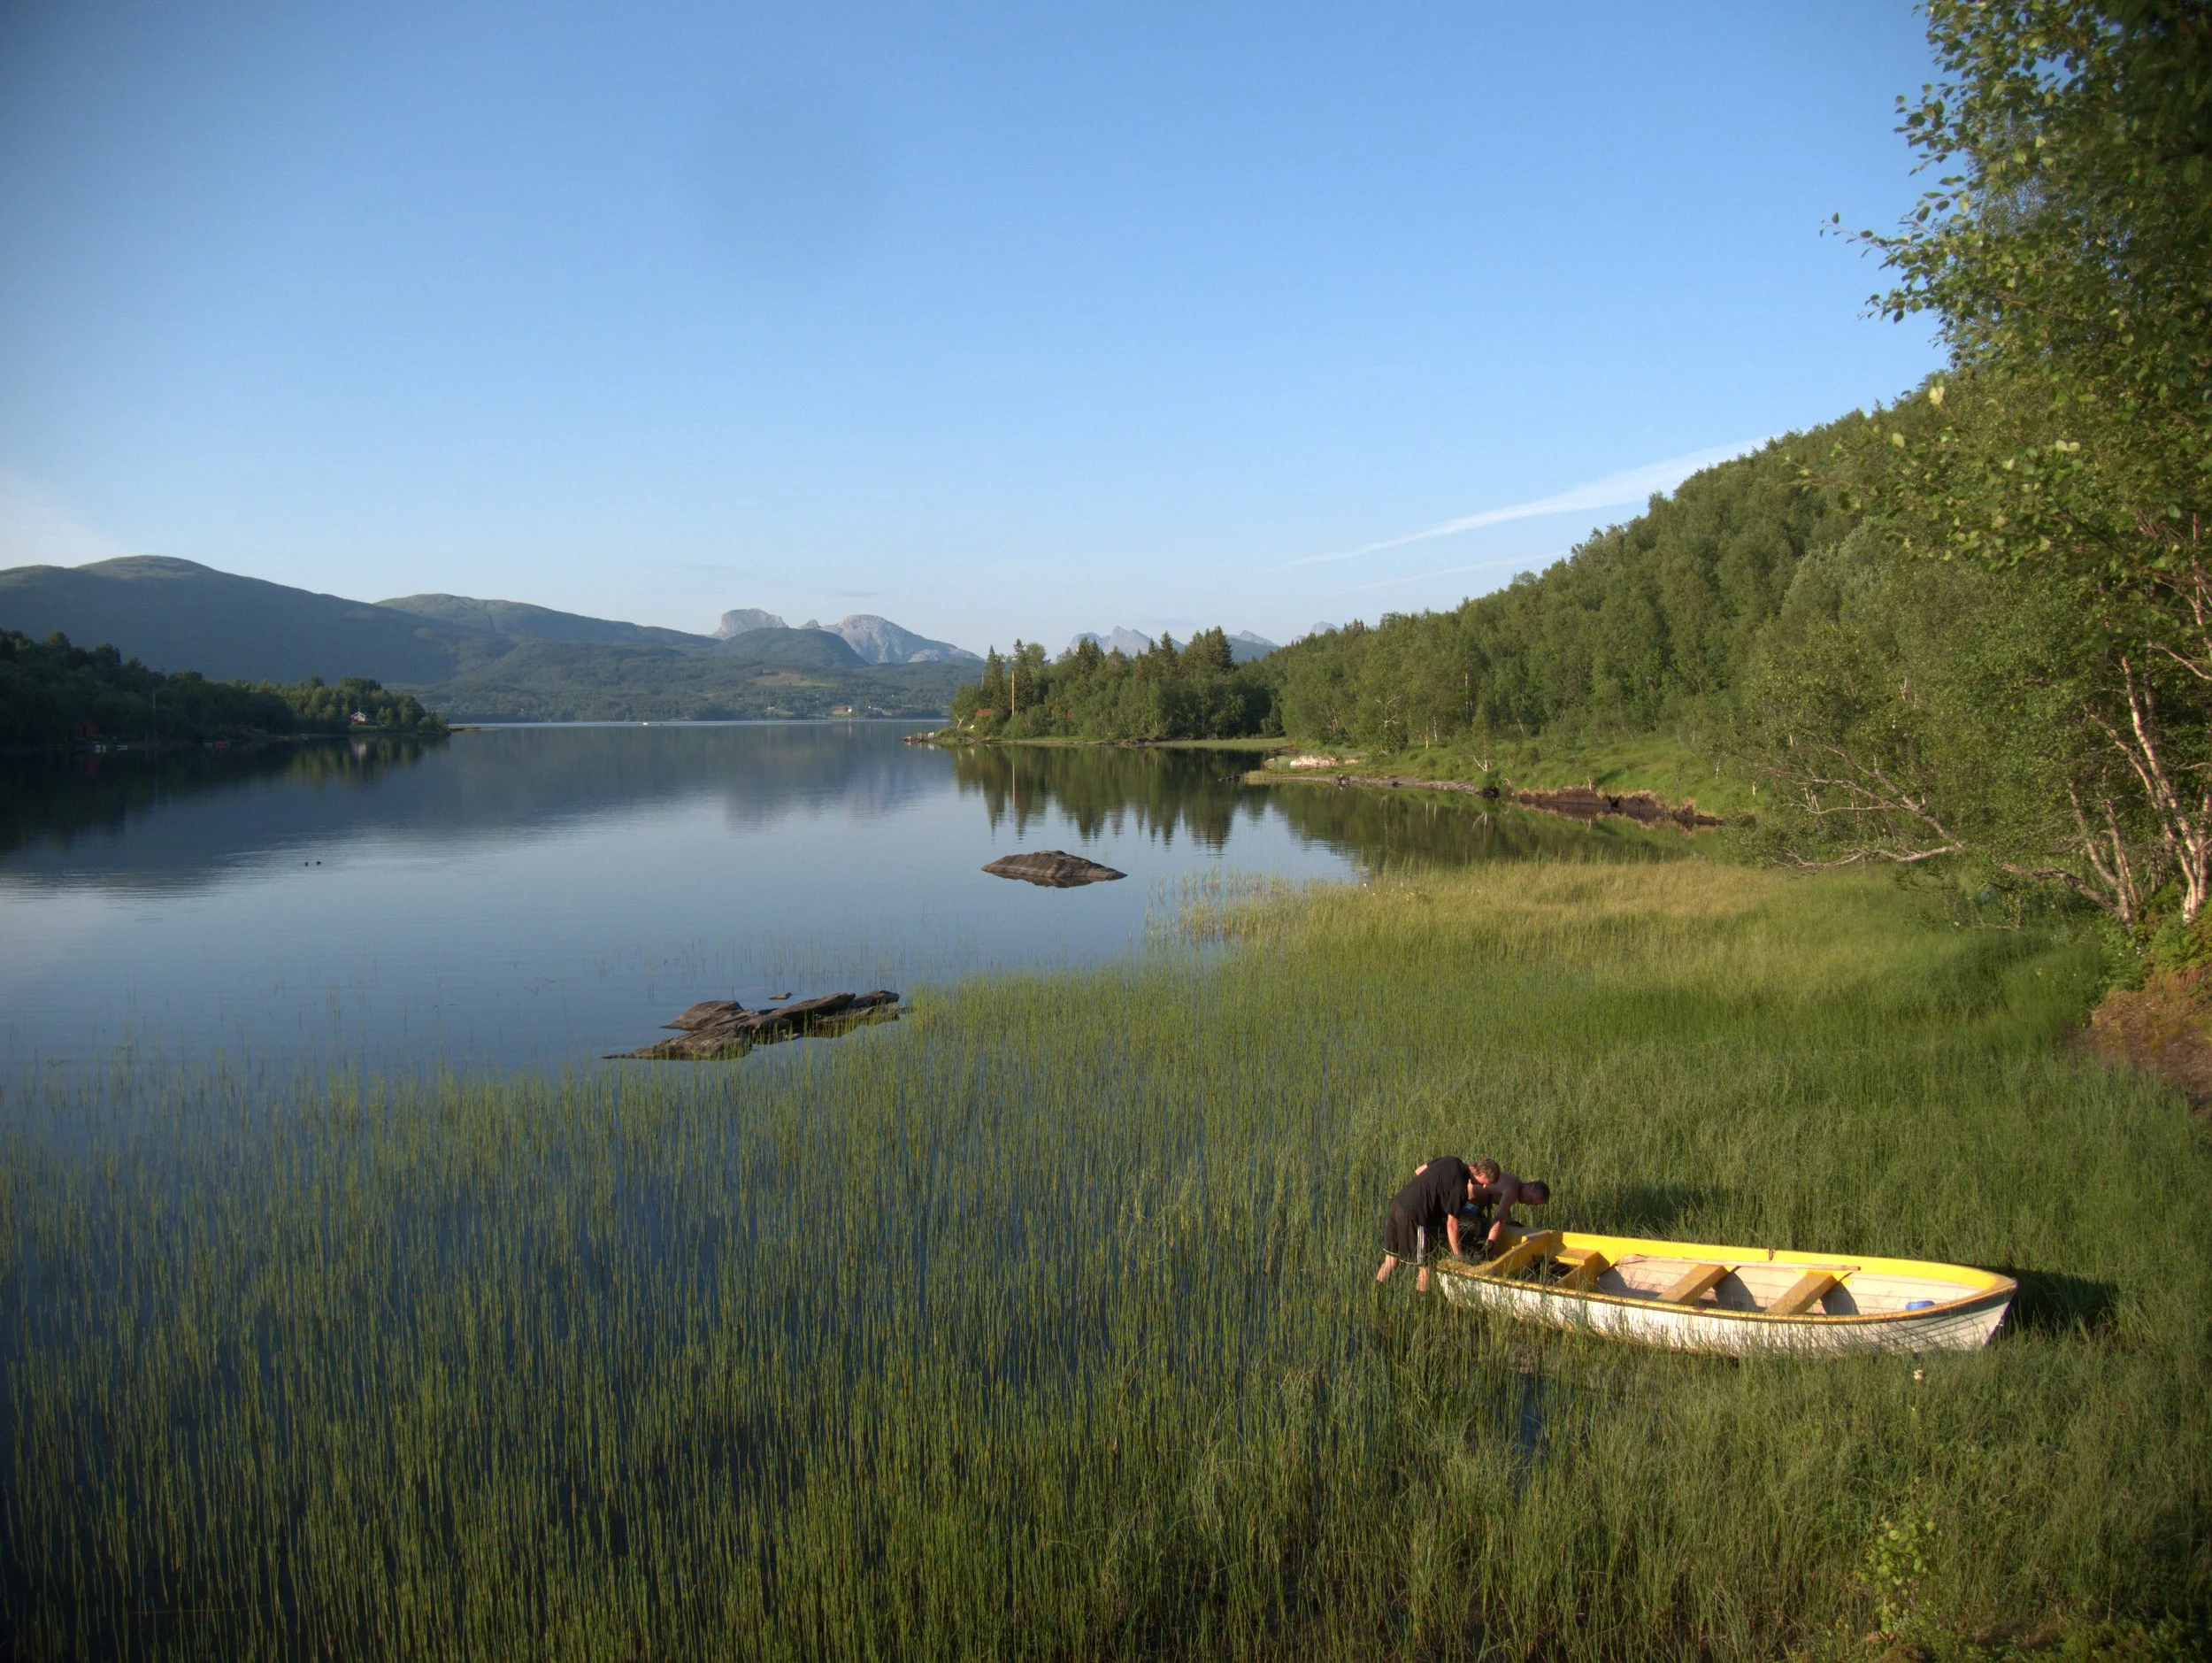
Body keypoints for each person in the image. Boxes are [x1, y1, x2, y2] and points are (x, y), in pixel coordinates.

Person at [1374, 1156, 1479, 1292]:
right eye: (1484, 1183)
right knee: (1426, 1265)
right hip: (1415, 1215)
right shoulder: (1460, 1188)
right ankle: (1419, 1304)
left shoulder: (1451, 1160)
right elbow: (1451, 1225)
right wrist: (1458, 1255)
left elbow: (1419, 1171)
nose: (1483, 1186)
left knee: (1391, 1261)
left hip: (1397, 1203)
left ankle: (1375, 1293)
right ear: (1479, 1173)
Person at [1465, 1159, 1550, 1257]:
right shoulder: (1513, 1190)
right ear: (1531, 1186)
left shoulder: (1515, 1182)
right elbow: (1499, 1219)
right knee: (1477, 1228)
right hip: (1465, 1198)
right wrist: (1490, 1244)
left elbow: (1504, 1206)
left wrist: (1510, 1221)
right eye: (1530, 1199)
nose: (1527, 1203)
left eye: (1531, 1204)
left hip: (1470, 1200)